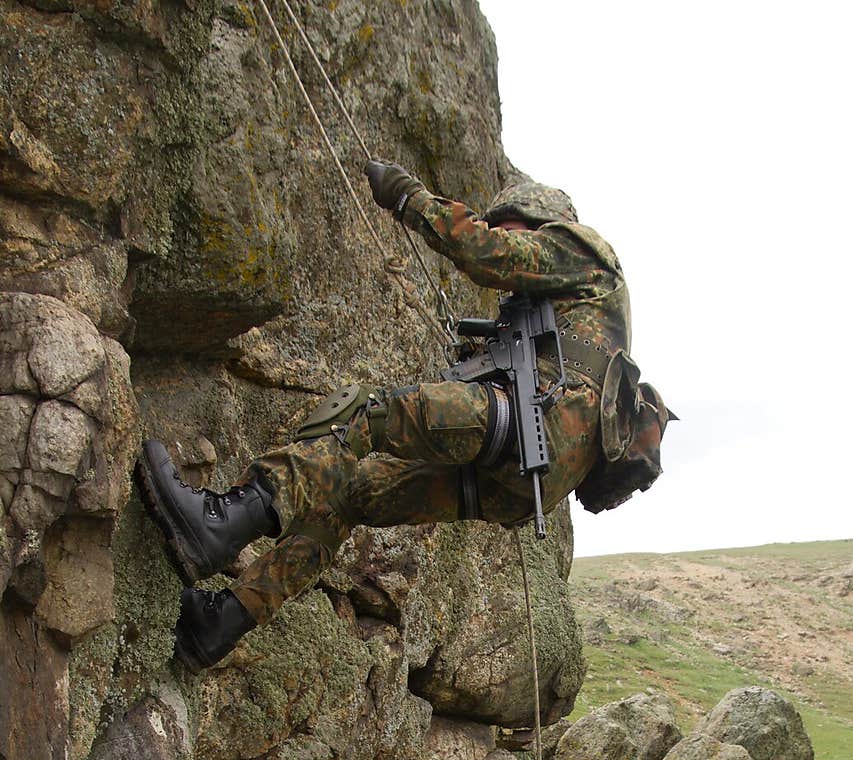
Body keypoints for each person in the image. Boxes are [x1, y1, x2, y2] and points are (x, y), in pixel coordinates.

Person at [138, 161, 674, 672]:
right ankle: (222, 622)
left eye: (507, 226)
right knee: (349, 493)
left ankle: (223, 520)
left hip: (532, 429)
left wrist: (408, 197)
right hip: (515, 481)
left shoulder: (583, 251)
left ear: (539, 222)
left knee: (363, 415)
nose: (500, 235)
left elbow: (486, 251)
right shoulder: (559, 312)